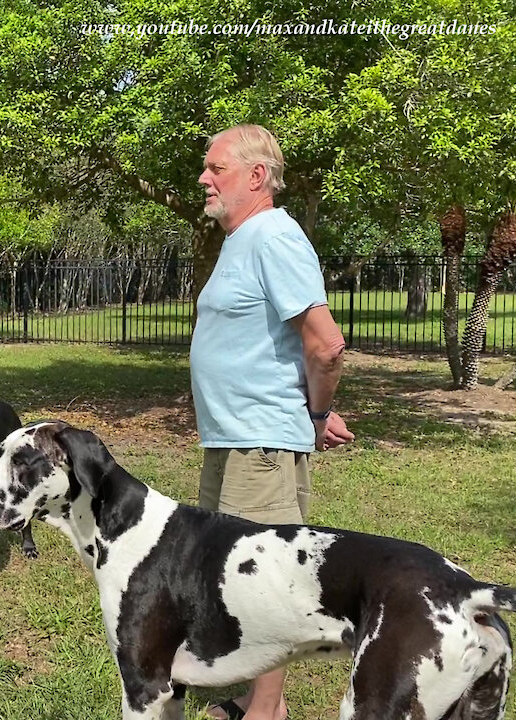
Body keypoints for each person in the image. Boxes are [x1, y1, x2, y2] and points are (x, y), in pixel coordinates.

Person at [191, 124, 354, 720]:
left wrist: (315, 415)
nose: (204, 179)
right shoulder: (244, 239)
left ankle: (266, 713)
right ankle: (256, 697)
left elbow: (325, 344)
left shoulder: (274, 236)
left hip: (258, 445)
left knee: (263, 583)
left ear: (256, 177)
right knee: (232, 576)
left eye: (217, 169)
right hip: (233, 441)